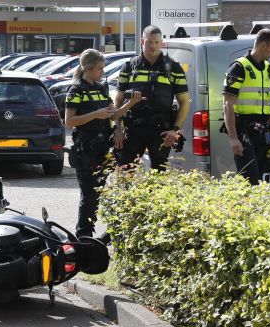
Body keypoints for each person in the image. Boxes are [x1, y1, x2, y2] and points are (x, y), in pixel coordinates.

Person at [64, 49, 141, 238]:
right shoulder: (76, 90)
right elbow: (69, 121)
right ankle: (84, 236)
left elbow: (114, 115)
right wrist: (94, 115)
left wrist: (130, 104)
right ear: (87, 68)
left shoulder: (102, 88)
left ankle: (106, 234)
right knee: (89, 195)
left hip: (103, 149)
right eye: (99, 69)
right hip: (85, 149)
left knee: (102, 193)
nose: (102, 72)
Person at [114, 26, 190, 171]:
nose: (152, 46)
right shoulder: (129, 66)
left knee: (159, 179)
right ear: (142, 41)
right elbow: (118, 100)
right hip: (133, 130)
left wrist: (175, 130)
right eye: (149, 42)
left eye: (156, 42)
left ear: (161, 43)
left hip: (161, 131)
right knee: (125, 173)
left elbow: (184, 102)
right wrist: (118, 129)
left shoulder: (174, 67)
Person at [222, 28, 270, 183]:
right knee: (249, 179)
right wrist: (233, 138)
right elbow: (227, 104)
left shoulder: (268, 68)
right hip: (244, 132)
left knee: (258, 177)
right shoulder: (239, 67)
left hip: (263, 132)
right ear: (263, 46)